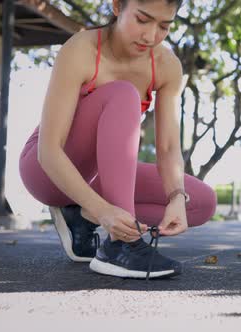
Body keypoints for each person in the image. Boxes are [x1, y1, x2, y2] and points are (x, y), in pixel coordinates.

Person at [19, 0, 217, 279]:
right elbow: (49, 151)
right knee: (123, 94)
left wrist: (175, 196)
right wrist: (104, 211)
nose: (151, 36)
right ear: (116, 7)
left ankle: (80, 217)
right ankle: (119, 248)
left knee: (199, 202)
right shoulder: (81, 49)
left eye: (164, 26)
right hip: (46, 169)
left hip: (95, 177)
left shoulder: (166, 66)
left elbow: (169, 146)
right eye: (142, 19)